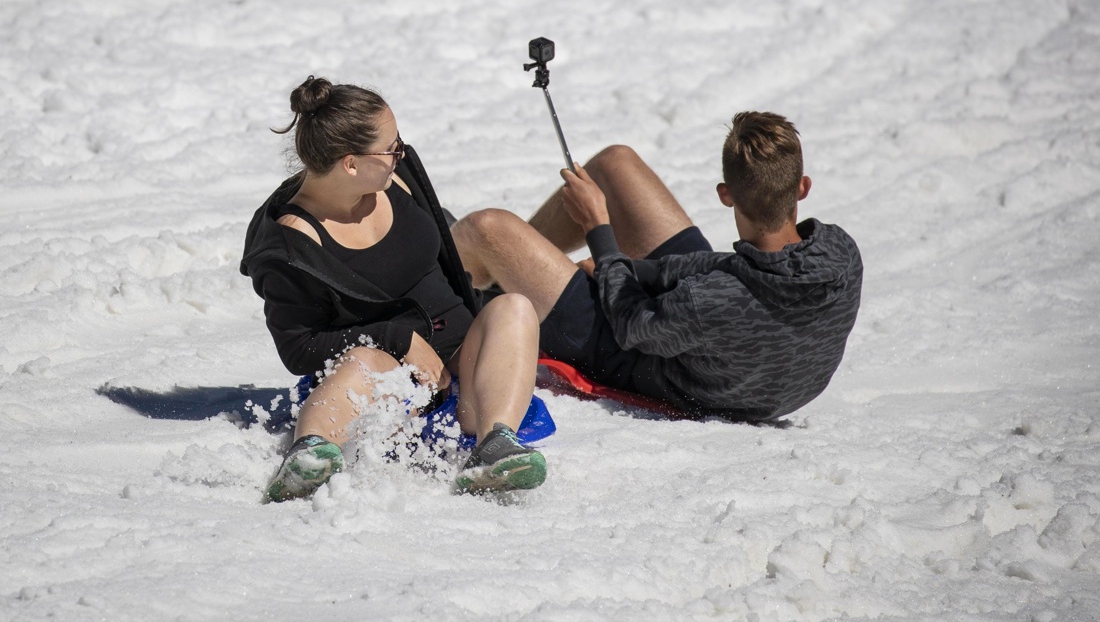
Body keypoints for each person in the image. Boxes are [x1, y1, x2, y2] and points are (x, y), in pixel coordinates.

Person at [240, 76, 548, 501]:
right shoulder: (291, 246)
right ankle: (309, 454)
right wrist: (397, 339)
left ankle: (494, 448)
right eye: (390, 146)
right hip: (384, 377)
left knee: (514, 307)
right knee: (365, 361)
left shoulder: (396, 175)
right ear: (350, 163)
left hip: (462, 359)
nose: (399, 152)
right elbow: (298, 349)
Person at [451, 111, 863, 422]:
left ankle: (438, 287)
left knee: (485, 228)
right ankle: (507, 274)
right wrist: (634, 268)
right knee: (616, 162)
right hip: (727, 345)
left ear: (725, 194)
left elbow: (631, 324)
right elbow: (735, 271)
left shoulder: (713, 300)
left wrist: (601, 234)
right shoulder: (841, 253)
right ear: (802, 187)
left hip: (635, 352)